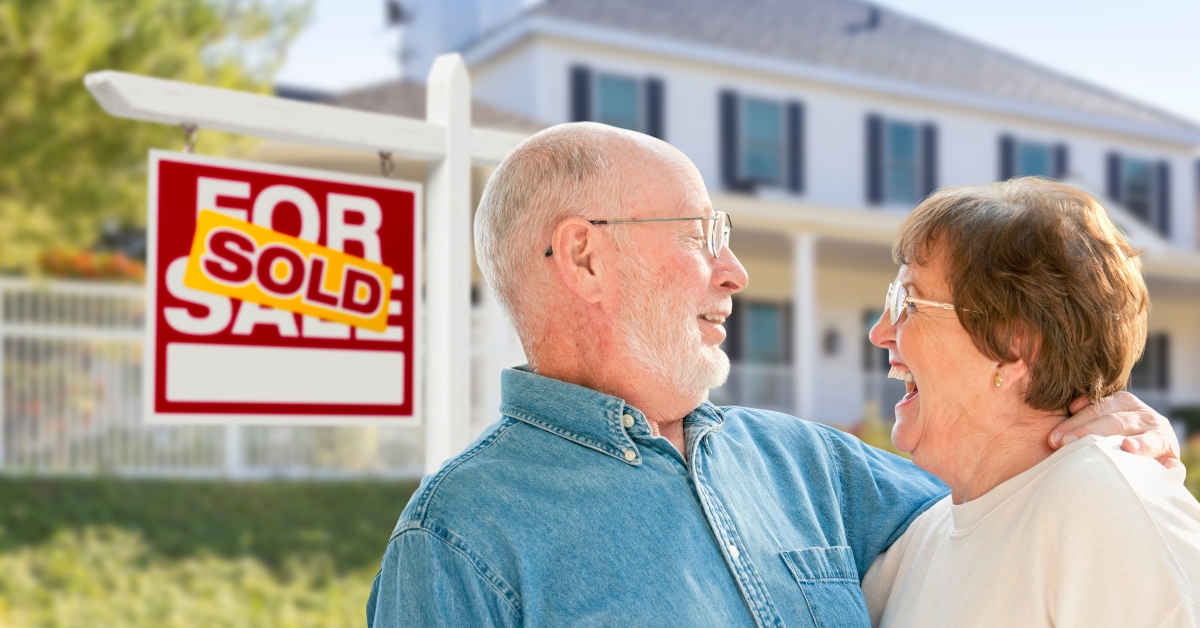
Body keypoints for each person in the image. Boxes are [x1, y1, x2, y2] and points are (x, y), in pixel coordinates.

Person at [367, 124, 1181, 627]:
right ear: (584, 255)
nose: (735, 272)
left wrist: (1105, 422)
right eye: (701, 233)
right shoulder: (455, 545)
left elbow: (1010, 493)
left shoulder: (810, 467)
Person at [861, 178, 1200, 627]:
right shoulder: (918, 542)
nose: (880, 331)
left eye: (909, 301)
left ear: (1013, 345)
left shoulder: (1105, 508)